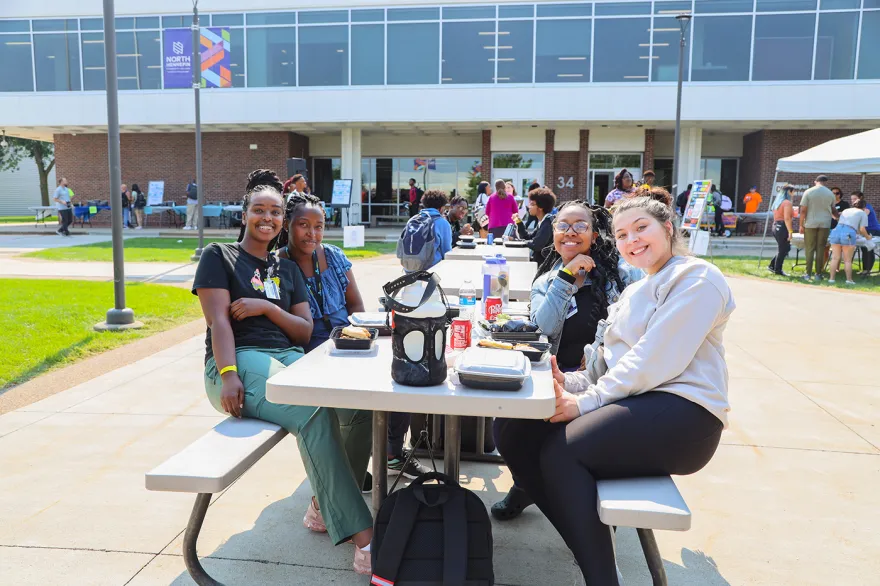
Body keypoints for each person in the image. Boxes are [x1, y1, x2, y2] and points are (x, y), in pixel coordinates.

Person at [495, 195, 733, 585]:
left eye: (642, 228)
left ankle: (602, 577)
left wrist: (583, 403)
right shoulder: (634, 293)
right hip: (636, 403)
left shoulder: (696, 277)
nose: (632, 239)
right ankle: (590, 546)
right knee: (513, 429)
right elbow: (604, 367)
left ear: (668, 228)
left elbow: (655, 361)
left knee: (563, 452)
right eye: (622, 234)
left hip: (686, 413)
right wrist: (564, 382)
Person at [192, 169, 374, 575]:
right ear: (244, 214)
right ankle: (365, 538)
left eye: (275, 212)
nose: (268, 218)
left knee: (359, 409)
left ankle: (322, 507)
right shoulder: (219, 257)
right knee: (311, 411)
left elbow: (304, 329)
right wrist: (227, 374)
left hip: (289, 356)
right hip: (238, 361)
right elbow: (219, 323)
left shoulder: (285, 269)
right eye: (260, 210)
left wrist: (268, 308)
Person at [492, 198, 644, 522]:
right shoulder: (545, 280)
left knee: (568, 443)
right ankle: (528, 485)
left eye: (580, 226)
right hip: (553, 379)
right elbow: (541, 330)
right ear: (554, 231)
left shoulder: (622, 278)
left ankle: (576, 506)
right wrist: (565, 278)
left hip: (604, 383)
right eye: (562, 225)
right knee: (504, 427)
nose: (569, 232)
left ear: (594, 234)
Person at [799, 175, 836, 281]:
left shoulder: (808, 192)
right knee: (821, 248)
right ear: (826, 182)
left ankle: (807, 273)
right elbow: (833, 210)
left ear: (816, 181)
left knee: (809, 248)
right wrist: (839, 217)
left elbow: (803, 210)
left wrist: (801, 225)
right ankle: (818, 274)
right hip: (825, 223)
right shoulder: (830, 193)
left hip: (810, 223)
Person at [829, 199, 872, 285]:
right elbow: (862, 229)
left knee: (835, 258)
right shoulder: (862, 213)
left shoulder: (846, 210)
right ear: (864, 207)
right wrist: (868, 237)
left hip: (836, 231)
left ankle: (831, 279)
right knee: (847, 260)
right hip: (848, 234)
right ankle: (849, 280)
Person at [512, 187, 556, 267]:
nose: (529, 207)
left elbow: (536, 245)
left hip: (544, 268)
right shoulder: (542, 222)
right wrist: (518, 222)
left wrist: (517, 241)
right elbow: (528, 237)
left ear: (540, 207)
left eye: (532, 204)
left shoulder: (547, 224)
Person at [851, 191, 880, 274]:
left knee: (867, 248)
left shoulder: (866, 207)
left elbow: (864, 214)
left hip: (873, 230)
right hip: (865, 230)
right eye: (852, 199)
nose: (853, 201)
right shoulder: (856, 208)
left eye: (855, 199)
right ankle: (865, 269)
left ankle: (867, 270)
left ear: (861, 198)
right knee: (864, 248)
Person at [769, 184, 794, 276]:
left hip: (776, 225)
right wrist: (790, 232)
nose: (793, 194)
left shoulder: (778, 202)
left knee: (785, 248)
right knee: (783, 249)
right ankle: (777, 270)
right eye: (793, 191)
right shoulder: (786, 202)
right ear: (789, 191)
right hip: (782, 226)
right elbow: (787, 218)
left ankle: (772, 265)